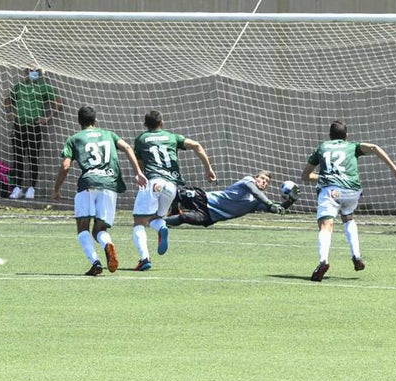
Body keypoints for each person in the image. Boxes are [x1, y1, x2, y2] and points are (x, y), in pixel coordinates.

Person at [300, 120, 396, 282]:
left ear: (329, 136)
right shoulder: (352, 146)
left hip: (331, 191)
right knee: (348, 217)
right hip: (352, 191)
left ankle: (323, 261)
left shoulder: (322, 147)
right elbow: (374, 148)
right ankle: (356, 255)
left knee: (326, 224)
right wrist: (394, 169)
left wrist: (322, 177)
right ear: (346, 136)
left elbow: (306, 175)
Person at [52, 105, 147, 276]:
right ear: (96, 121)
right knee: (100, 229)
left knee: (83, 228)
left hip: (88, 185)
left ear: (79, 121)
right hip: (109, 185)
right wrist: (138, 172)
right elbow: (127, 147)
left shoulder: (74, 138)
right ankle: (106, 244)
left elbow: (65, 165)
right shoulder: (109, 134)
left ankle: (96, 262)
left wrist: (56, 188)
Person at [130, 109, 217, 270]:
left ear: (145, 124)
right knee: (156, 218)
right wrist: (208, 169)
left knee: (138, 222)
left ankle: (144, 259)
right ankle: (162, 227)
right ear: (162, 123)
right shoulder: (171, 137)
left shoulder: (141, 139)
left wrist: (140, 175)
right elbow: (197, 146)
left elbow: (140, 163)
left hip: (154, 182)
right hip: (171, 186)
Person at [164, 171, 295, 232]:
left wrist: (292, 199)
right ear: (256, 178)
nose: (264, 182)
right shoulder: (247, 180)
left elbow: (278, 209)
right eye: (262, 179)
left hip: (209, 216)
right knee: (178, 193)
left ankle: (157, 222)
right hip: (204, 199)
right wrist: (270, 204)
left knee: (184, 218)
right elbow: (255, 192)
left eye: (267, 182)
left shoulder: (257, 202)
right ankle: (171, 208)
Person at [3, 67, 61, 200]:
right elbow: (7, 100)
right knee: (18, 157)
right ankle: (17, 188)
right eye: (30, 70)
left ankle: (31, 189)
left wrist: (47, 117)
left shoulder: (44, 87)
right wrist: (10, 113)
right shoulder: (19, 86)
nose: (33, 72)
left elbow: (58, 102)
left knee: (33, 158)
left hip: (34, 126)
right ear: (26, 72)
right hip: (19, 125)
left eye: (35, 70)